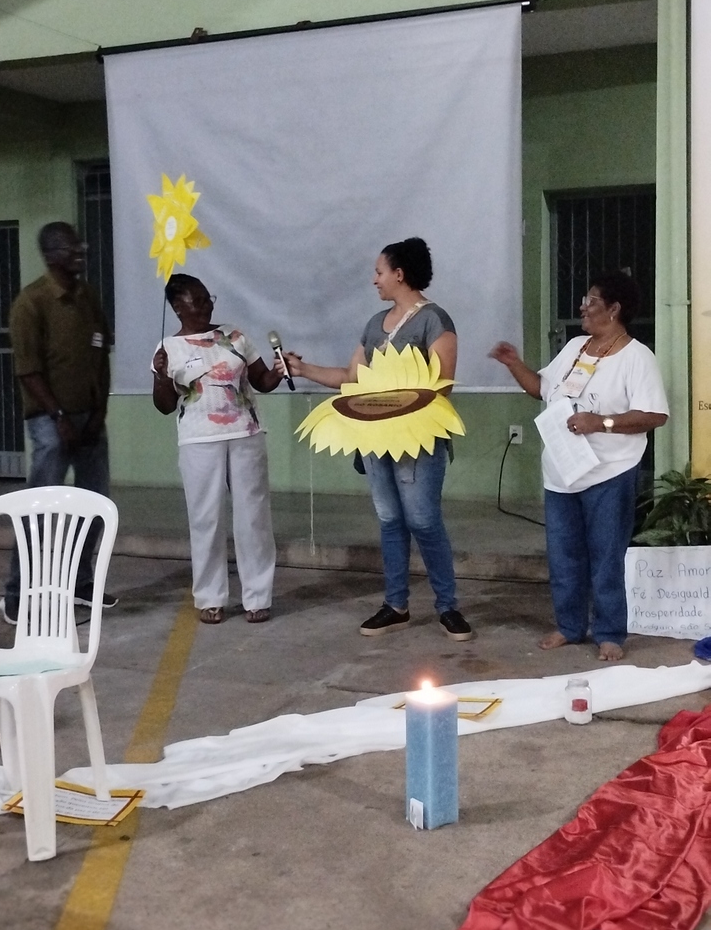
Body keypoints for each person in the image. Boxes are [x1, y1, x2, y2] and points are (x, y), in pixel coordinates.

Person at [283, 237, 474, 641]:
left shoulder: (434, 320)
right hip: (373, 440)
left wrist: (396, 407)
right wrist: (302, 369)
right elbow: (351, 379)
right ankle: (396, 605)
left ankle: (448, 606)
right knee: (389, 520)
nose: (374, 280)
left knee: (423, 520)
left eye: (379, 271)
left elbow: (441, 387)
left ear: (399, 274)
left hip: (416, 441)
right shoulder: (374, 325)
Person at [490, 270, 669, 662]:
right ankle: (570, 626)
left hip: (610, 472)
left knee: (605, 556)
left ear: (614, 309)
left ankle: (609, 633)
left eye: (591, 301)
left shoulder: (637, 357)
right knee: (564, 555)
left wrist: (601, 422)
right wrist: (513, 363)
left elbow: (654, 415)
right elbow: (541, 388)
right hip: (561, 472)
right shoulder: (575, 347)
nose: (582, 307)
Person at [2, 221, 116, 626]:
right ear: (51, 255)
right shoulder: (30, 303)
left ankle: (81, 583)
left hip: (90, 419)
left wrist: (99, 412)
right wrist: (60, 417)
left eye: (80, 245)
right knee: (38, 510)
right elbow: (28, 371)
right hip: (51, 421)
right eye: (71, 247)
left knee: (95, 504)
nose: (80, 251)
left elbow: (101, 355)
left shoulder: (88, 297)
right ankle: (16, 594)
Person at [152, 276, 281, 625]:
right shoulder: (168, 348)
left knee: (253, 516)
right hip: (198, 440)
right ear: (177, 308)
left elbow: (261, 381)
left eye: (207, 298)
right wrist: (162, 376)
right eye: (197, 301)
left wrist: (279, 370)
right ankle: (210, 597)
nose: (207, 305)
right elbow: (164, 405)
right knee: (206, 519)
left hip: (246, 433)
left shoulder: (234, 336)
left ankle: (258, 596)